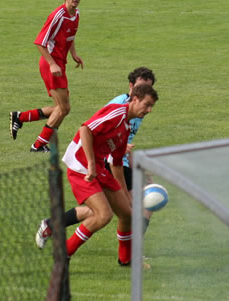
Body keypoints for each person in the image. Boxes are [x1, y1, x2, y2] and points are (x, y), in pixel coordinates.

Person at [35, 67, 157, 249]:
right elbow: (92, 129)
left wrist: (132, 161)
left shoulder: (138, 111)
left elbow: (123, 140)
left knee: (108, 209)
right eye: (141, 87)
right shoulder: (120, 105)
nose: (145, 93)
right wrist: (93, 162)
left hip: (114, 161)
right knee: (116, 209)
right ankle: (132, 249)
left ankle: (52, 224)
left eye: (149, 88)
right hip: (103, 162)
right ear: (132, 87)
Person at [9, 0, 83, 152]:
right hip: (51, 65)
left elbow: (70, 35)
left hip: (60, 64)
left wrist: (73, 54)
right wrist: (52, 64)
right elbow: (39, 42)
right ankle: (38, 145)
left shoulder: (76, 14)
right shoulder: (58, 15)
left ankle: (20, 117)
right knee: (63, 108)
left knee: (62, 108)